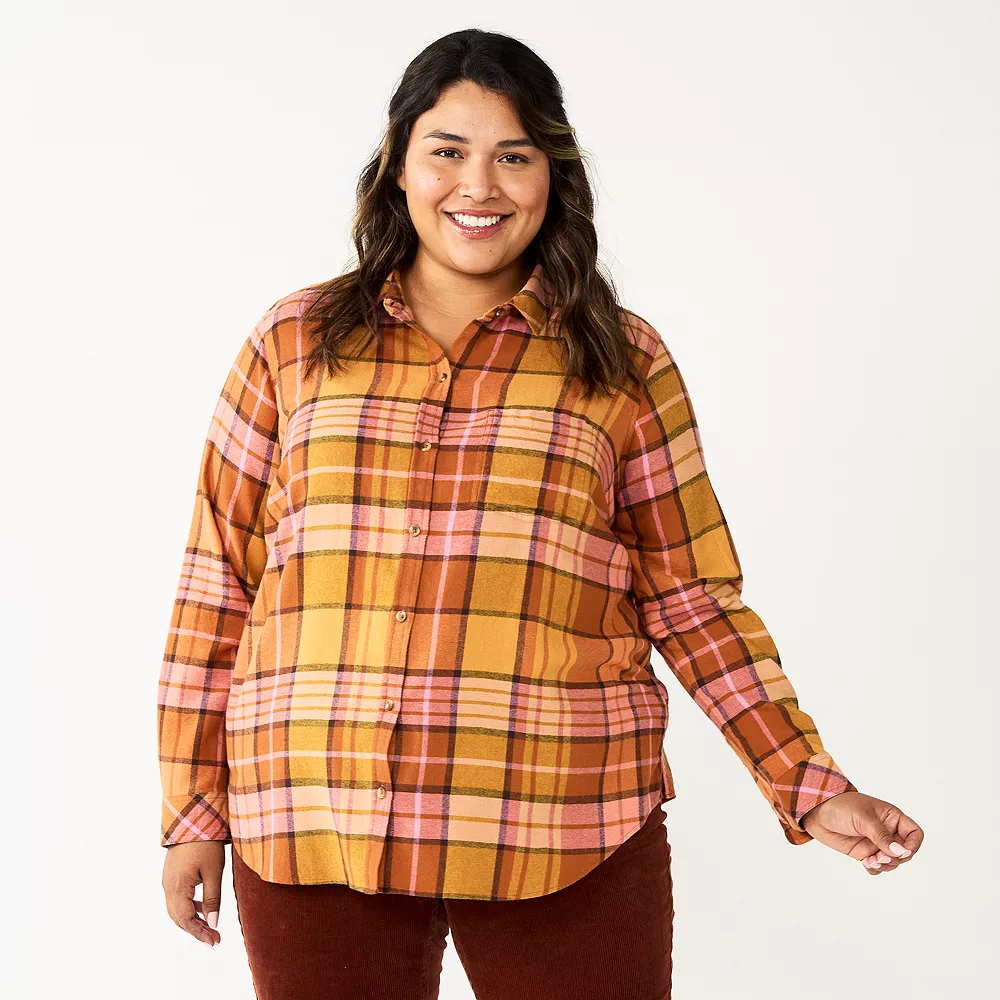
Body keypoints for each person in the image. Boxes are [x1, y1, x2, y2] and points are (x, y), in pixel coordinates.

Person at [157, 27, 923, 1000]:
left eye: (512, 156)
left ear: (552, 175)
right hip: (313, 817)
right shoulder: (294, 341)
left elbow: (691, 598)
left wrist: (807, 783)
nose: (477, 186)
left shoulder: (622, 361)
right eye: (447, 151)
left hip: (560, 817)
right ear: (398, 166)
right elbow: (218, 584)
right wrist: (193, 811)